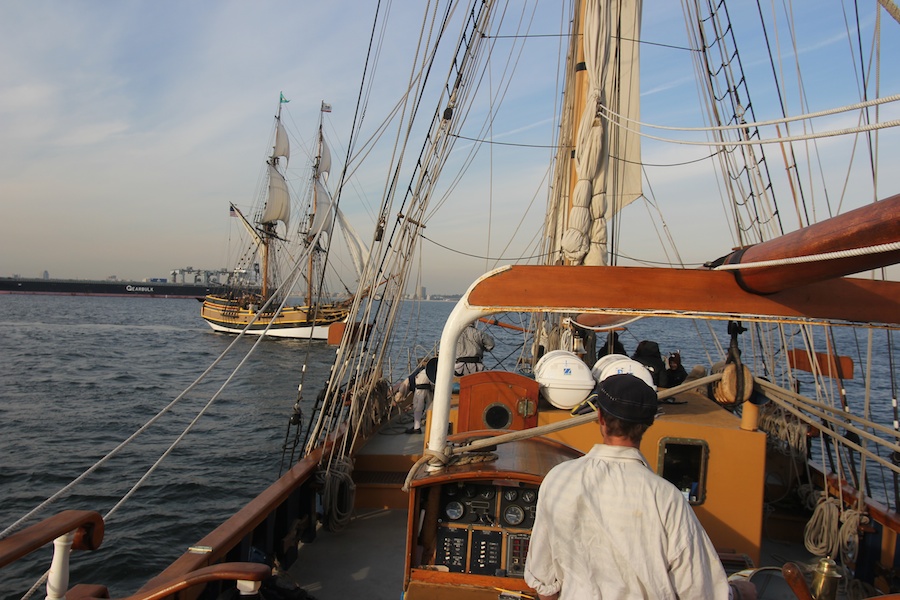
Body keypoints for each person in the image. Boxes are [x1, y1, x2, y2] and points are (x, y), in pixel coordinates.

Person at [524, 374, 756, 600]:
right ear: (647, 424)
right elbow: (699, 590)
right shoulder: (666, 498)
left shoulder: (558, 479)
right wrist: (738, 592)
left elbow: (545, 585)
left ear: (600, 418)